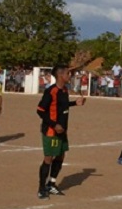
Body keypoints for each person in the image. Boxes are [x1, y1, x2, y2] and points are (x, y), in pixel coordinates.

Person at [36, 66, 86, 199]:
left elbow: (61, 105)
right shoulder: (51, 91)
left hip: (63, 130)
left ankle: (51, 184)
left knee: (60, 156)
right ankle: (41, 189)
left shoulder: (64, 90)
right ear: (60, 75)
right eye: (68, 73)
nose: (70, 76)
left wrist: (75, 103)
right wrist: (54, 124)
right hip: (51, 131)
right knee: (48, 158)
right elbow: (40, 110)